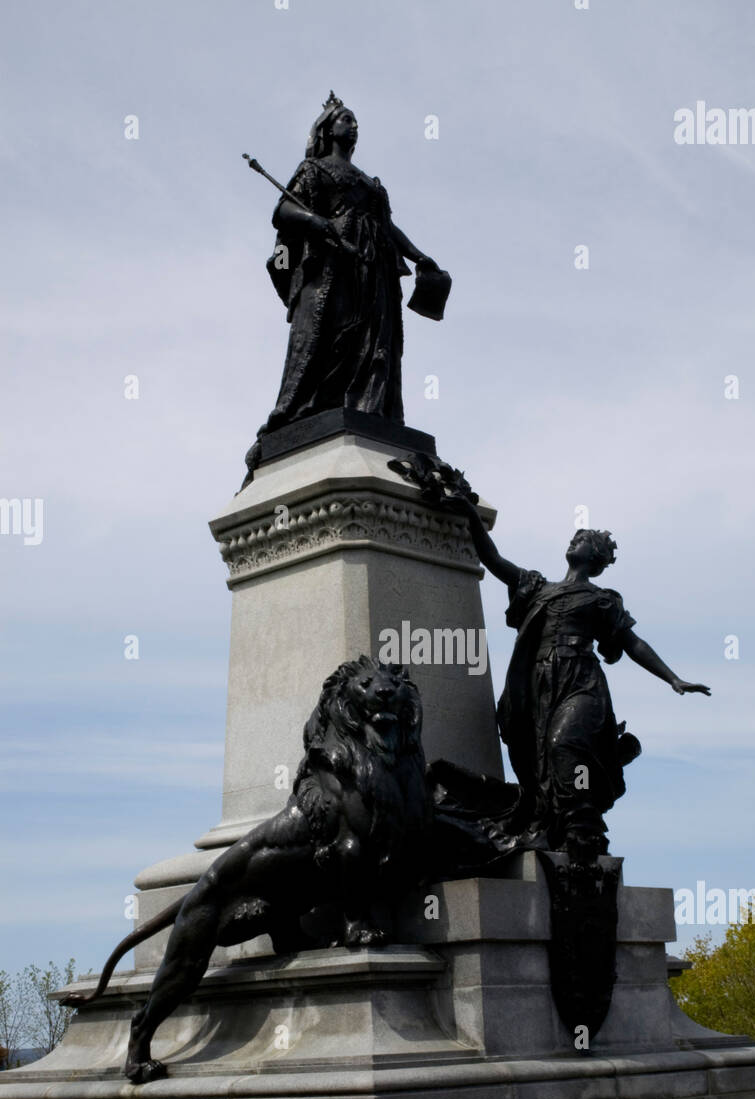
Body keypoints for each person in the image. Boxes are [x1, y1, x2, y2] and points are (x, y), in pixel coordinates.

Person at [445, 498, 711, 860]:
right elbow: (493, 560)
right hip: (538, 684)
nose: (573, 542)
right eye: (574, 537)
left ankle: (581, 827)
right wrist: (469, 513)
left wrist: (673, 679)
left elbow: (632, 642)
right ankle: (552, 825)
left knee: (563, 744)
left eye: (582, 539)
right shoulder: (538, 586)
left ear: (595, 557)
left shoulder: (601, 600)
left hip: (580, 681)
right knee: (537, 759)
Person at [245, 93, 442, 470]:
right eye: (346, 119)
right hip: (334, 264)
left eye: (355, 121)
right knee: (332, 335)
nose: (353, 126)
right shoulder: (314, 171)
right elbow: (285, 210)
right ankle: (307, 409)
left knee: (374, 343)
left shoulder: (370, 183)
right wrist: (318, 223)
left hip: (373, 265)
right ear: (327, 129)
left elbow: (386, 226)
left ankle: (367, 408)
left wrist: (418, 256)